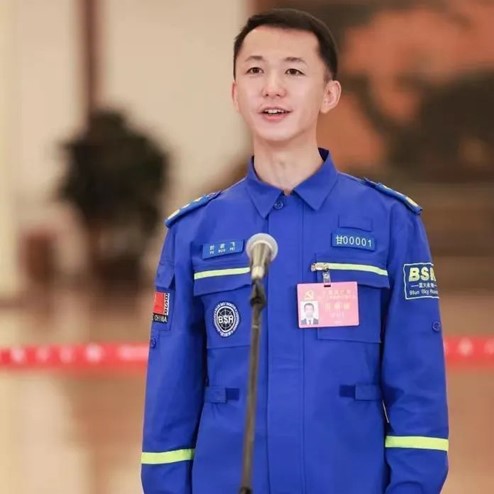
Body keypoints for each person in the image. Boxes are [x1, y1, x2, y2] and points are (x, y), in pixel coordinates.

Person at [141, 8, 449, 494]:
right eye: (255, 70)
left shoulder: (389, 223)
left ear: (330, 94)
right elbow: (170, 394)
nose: (272, 88)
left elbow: (418, 384)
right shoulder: (196, 232)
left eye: (293, 71)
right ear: (235, 93)